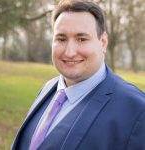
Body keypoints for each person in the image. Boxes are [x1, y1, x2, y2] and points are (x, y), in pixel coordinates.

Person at [12, 0, 145, 150]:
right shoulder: (48, 88)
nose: (69, 52)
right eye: (61, 39)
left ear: (103, 42)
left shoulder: (138, 110)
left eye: (81, 39)